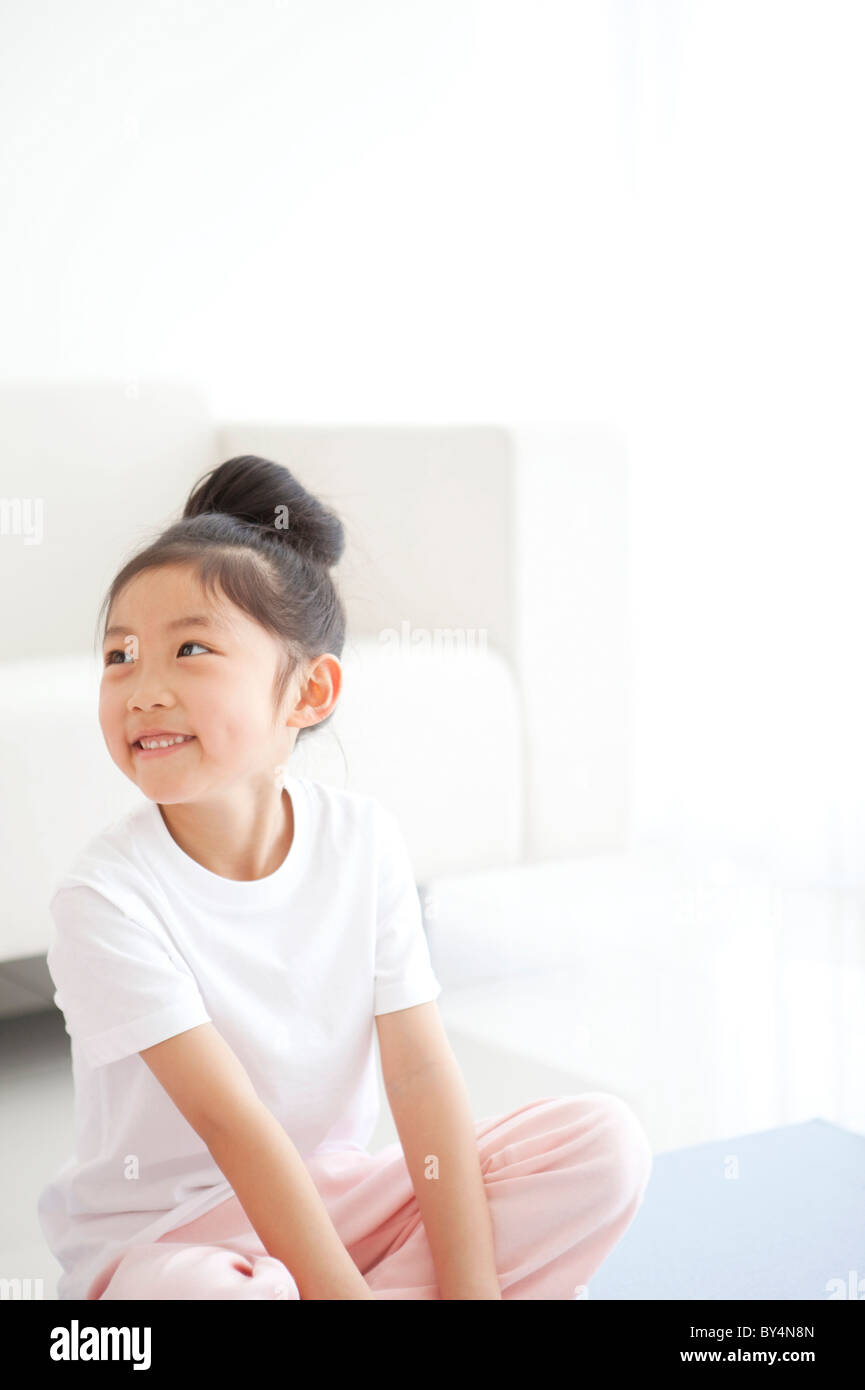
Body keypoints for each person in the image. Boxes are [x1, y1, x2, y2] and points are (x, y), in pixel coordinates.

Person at [38, 454, 652, 1300]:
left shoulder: (362, 843)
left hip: (337, 1204)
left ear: (309, 692)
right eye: (119, 656)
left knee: (602, 1145)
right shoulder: (102, 900)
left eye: (189, 649)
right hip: (171, 1243)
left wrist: (468, 1289)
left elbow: (420, 1077)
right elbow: (234, 1126)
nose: (143, 690)